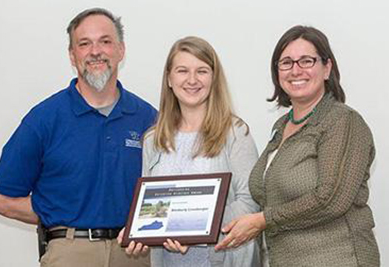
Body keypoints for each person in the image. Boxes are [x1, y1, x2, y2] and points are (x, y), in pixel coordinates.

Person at [0, 8, 156, 267]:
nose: (95, 51)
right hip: (69, 253)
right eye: (84, 44)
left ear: (121, 50)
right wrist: (57, 213)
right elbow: (4, 200)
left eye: (105, 41)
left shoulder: (147, 118)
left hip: (133, 254)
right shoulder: (43, 119)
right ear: (72, 55)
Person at [214, 25, 380, 266]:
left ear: (327, 68)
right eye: (286, 63)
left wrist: (263, 220)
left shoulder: (343, 121)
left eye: (306, 61)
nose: (296, 70)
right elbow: (267, 195)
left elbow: (331, 200)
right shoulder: (281, 127)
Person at [119, 36, 260, 267]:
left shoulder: (235, 133)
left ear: (214, 78)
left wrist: (190, 227)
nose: (192, 80)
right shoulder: (153, 140)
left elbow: (249, 202)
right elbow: (152, 204)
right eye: (182, 70)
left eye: (202, 71)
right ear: (169, 79)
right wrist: (138, 230)